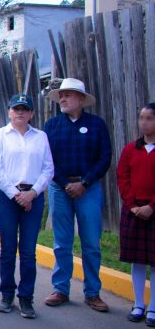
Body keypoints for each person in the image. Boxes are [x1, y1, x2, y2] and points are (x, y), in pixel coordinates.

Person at [43, 78, 112, 312]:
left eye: (68, 95)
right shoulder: (51, 126)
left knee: (91, 242)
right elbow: (47, 160)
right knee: (61, 242)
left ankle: (93, 292)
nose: (62, 99)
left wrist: (84, 183)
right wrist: (65, 183)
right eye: (61, 95)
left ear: (81, 99)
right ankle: (60, 289)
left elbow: (104, 158)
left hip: (89, 188)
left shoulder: (97, 125)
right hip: (59, 188)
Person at [0, 94, 53, 319]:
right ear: (9, 111)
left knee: (28, 251)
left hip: (34, 197)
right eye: (16, 109)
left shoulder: (41, 137)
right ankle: (7, 294)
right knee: (7, 248)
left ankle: (26, 297)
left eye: (25, 109)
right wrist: (17, 195)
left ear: (32, 113)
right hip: (8, 196)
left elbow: (48, 169)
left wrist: (32, 193)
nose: (20, 113)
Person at [116, 103, 155, 327]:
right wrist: (131, 205)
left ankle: (153, 307)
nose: (144, 122)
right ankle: (139, 303)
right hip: (133, 209)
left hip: (152, 210)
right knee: (137, 260)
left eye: (149, 118)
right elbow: (123, 176)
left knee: (154, 261)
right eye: (141, 118)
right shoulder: (131, 149)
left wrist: (151, 206)